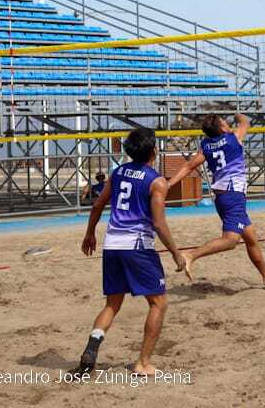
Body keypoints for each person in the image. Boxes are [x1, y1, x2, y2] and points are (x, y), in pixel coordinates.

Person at [74, 127, 188, 376]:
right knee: (158, 303)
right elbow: (158, 223)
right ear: (153, 151)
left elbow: (97, 205)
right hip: (137, 247)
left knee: (112, 304)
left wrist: (90, 233)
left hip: (112, 245)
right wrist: (176, 253)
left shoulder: (117, 173)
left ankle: (92, 345)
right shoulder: (156, 181)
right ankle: (143, 363)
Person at [167, 113, 265, 287]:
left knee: (251, 238)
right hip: (233, 195)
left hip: (223, 197)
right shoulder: (234, 138)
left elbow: (189, 166)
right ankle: (190, 255)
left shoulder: (206, 145)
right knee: (230, 240)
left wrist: (169, 184)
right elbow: (245, 121)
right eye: (224, 122)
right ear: (222, 128)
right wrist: (236, 113)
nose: (227, 124)